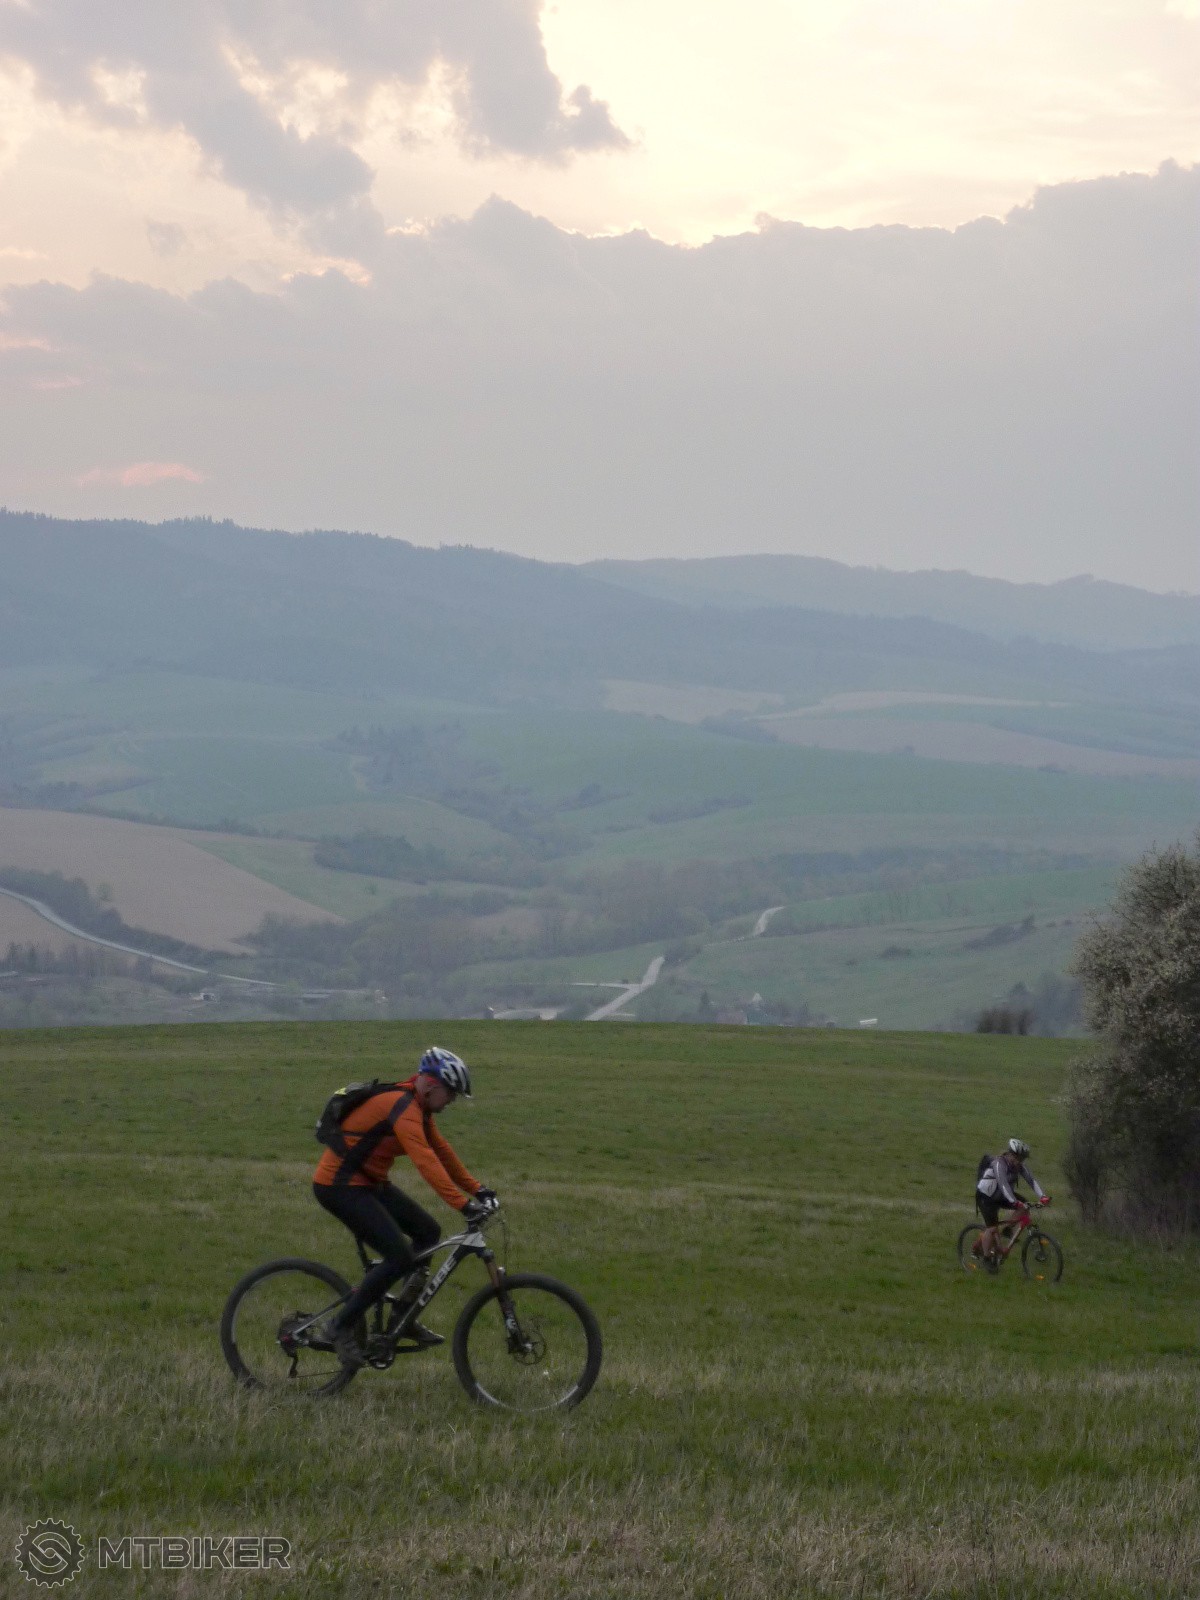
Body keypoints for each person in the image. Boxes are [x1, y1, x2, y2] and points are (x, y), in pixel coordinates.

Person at [313, 1046, 497, 1366]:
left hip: (369, 1183)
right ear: (431, 1085)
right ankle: (338, 1327)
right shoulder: (402, 1106)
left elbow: (442, 1152)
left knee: (428, 1232)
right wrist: (462, 1205)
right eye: (451, 1093)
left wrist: (479, 1190)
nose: (452, 1100)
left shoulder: (418, 1108)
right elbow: (425, 1160)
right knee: (398, 1257)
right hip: (338, 1186)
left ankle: (403, 1318)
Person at [974, 1138, 1048, 1271]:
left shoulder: (1020, 1166)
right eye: (1019, 1158)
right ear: (1011, 1154)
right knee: (992, 1228)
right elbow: (1003, 1184)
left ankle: (1007, 1228)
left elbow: (1031, 1181)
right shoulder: (999, 1164)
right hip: (986, 1196)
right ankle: (986, 1258)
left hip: (1001, 1196)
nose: (1020, 1162)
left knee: (1025, 1206)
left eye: (1023, 1159)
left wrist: (1043, 1197)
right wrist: (1014, 1202)